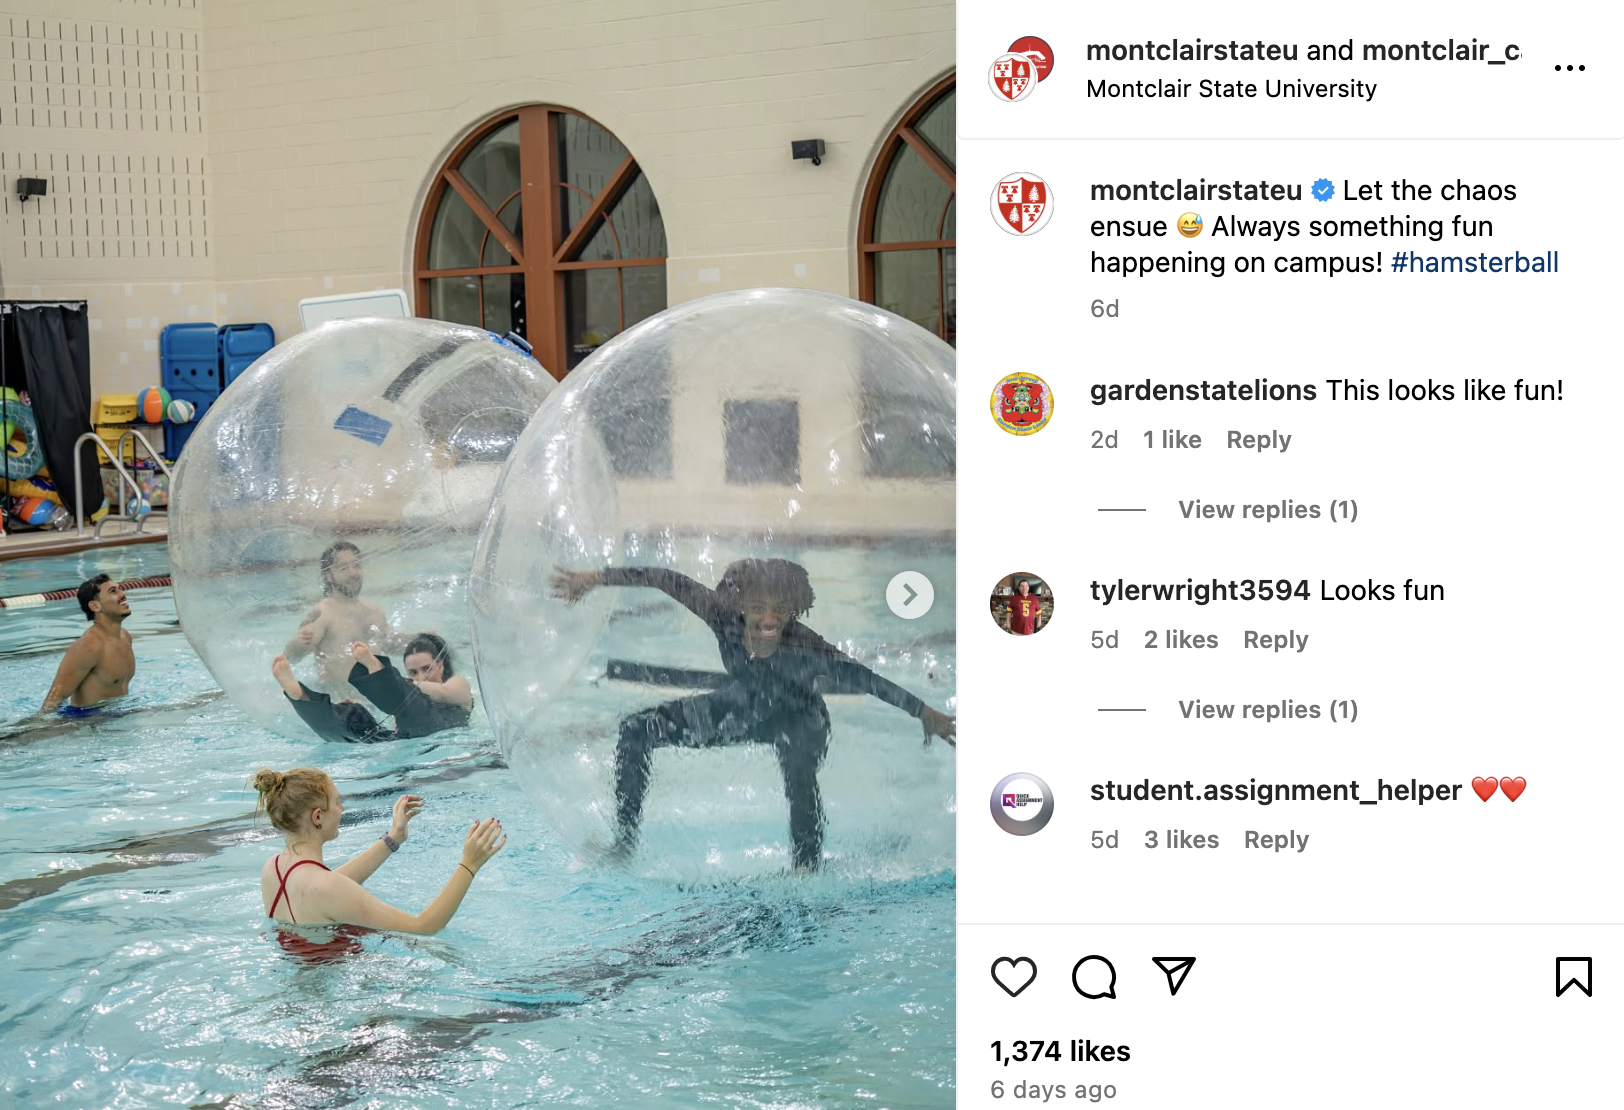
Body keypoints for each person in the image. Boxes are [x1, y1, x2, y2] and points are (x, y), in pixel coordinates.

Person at [551, 558, 956, 871]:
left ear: (792, 610)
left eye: (779, 610)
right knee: (636, 729)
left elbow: (865, 678)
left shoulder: (806, 645)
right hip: (744, 705)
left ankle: (806, 868)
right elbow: (663, 578)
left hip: (800, 718)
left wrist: (923, 712)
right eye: (758, 608)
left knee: (798, 767)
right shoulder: (719, 614)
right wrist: (594, 578)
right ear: (741, 605)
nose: (768, 620)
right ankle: (623, 843)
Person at [254, 766, 505, 934]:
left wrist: (394, 837)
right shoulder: (327, 887)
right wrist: (469, 864)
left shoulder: (273, 867)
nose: (342, 809)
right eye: (337, 802)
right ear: (318, 816)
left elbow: (328, 886)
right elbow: (425, 926)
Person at [271, 634, 473, 743]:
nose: (420, 677)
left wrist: (401, 682)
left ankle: (378, 672)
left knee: (412, 701)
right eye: (412, 672)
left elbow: (442, 693)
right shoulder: (408, 692)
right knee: (352, 719)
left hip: (436, 728)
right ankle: (300, 696)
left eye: (426, 669)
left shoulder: (458, 683)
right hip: (405, 738)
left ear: (441, 665)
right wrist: (361, 707)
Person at [284, 542, 407, 687]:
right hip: (343, 704)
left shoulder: (374, 611)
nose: (353, 573)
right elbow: (291, 658)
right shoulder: (322, 614)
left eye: (356, 566)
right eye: (343, 568)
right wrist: (296, 644)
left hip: (377, 699)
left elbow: (389, 644)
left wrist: (423, 641)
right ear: (328, 576)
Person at [41, 574, 136, 714]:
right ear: (95, 606)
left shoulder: (125, 637)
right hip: (86, 723)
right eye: (113, 591)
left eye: (120, 589)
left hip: (117, 715)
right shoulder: (89, 646)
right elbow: (54, 699)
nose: (122, 594)